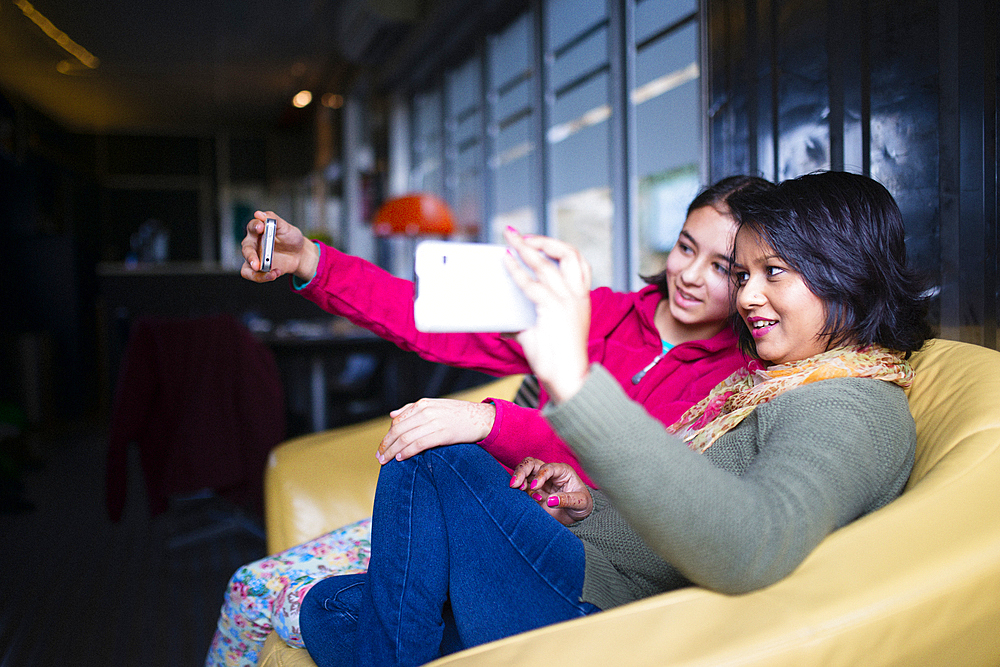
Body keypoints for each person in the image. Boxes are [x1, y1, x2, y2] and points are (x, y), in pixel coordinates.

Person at [297, 170, 931, 666]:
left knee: (431, 460)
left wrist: (559, 391)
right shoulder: (781, 379)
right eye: (743, 273)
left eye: (770, 274)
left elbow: (751, 544)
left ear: (846, 277)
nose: (746, 295)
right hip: (582, 555)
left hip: (600, 610)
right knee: (329, 606)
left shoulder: (849, 403)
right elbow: (687, 494)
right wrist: (588, 502)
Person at [205, 176, 774, 667]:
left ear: (750, 276)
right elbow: (437, 323)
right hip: (482, 509)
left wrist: (489, 421)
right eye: (684, 247)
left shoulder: (739, 377)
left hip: (562, 554)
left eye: (722, 267)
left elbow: (632, 461)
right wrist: (313, 262)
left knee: (334, 597)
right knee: (273, 594)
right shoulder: (599, 312)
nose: (690, 275)